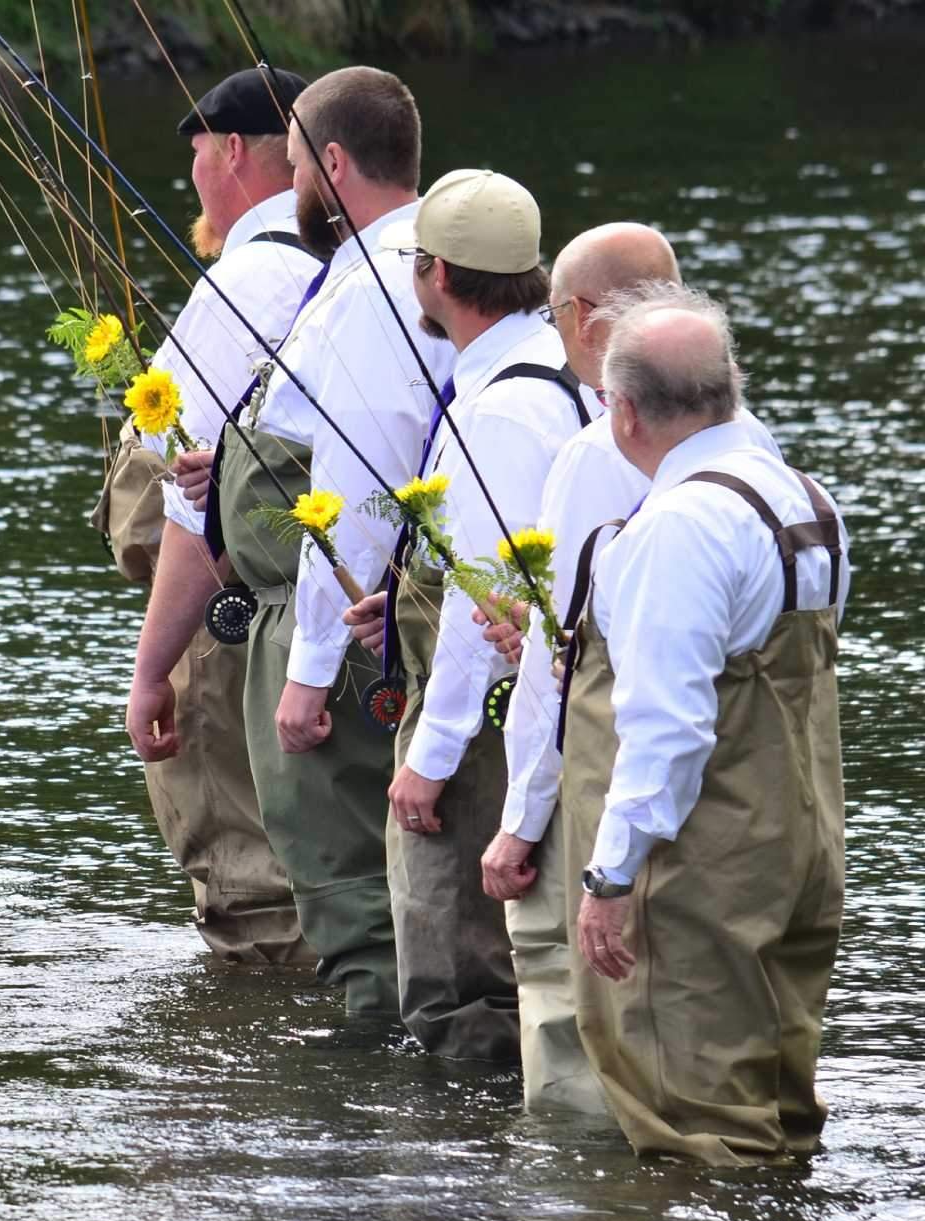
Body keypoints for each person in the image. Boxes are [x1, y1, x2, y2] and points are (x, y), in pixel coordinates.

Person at [478, 228, 783, 1110]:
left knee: (576, 1034)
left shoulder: (594, 456)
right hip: (741, 813)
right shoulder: (750, 444)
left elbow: (560, 661)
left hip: (613, 802)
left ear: (579, 318)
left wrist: (518, 820)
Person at [561, 290, 847, 1164]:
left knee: (694, 1128)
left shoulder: (678, 525)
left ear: (625, 410)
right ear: (730, 389)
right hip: (798, 841)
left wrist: (609, 878)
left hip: (701, 862)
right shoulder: (806, 499)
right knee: (780, 1111)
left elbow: (666, 729)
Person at [202, 65, 455, 1015]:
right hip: (376, 620)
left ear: (333, 163)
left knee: (351, 890)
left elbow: (352, 497)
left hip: (351, 635)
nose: (291, 187)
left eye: (299, 163)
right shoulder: (406, 271)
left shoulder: (373, 292)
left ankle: (376, 1120)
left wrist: (308, 671)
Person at [348, 168, 588, 1063]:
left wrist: (429, 757)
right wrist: (406, 597)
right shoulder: (559, 371)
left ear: (439, 275)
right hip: (535, 697)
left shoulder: (500, 408)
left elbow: (483, 604)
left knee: (458, 981)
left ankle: (462, 1187)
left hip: (486, 729)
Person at [124, 68, 318, 966]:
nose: (194, 175)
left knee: (247, 880)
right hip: (346, 618)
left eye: (198, 152)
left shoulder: (247, 278)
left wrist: (151, 667)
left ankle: (257, 1070)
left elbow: (188, 509)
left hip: (238, 619)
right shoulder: (377, 268)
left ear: (233, 150)